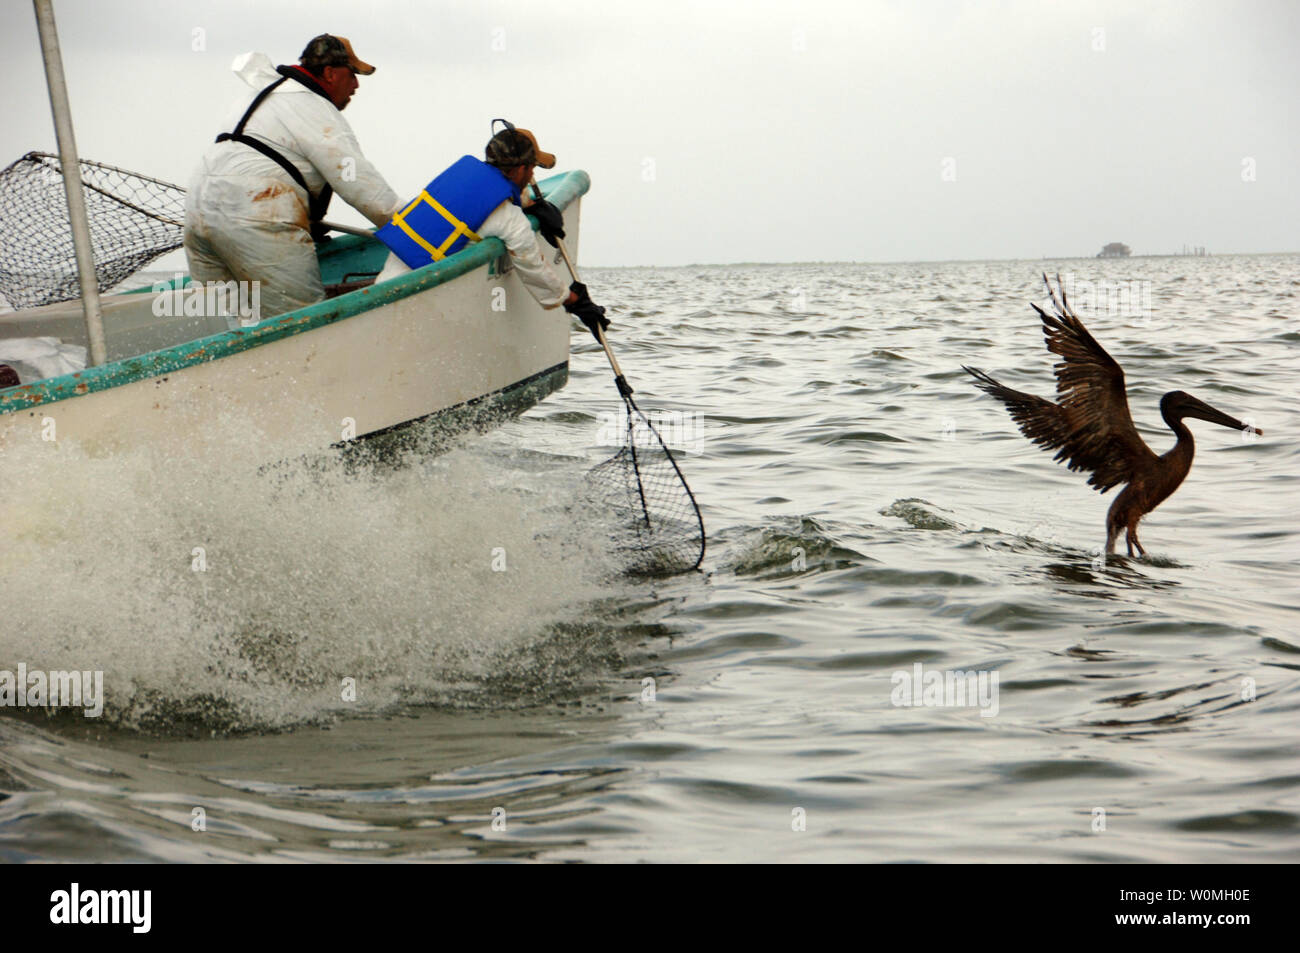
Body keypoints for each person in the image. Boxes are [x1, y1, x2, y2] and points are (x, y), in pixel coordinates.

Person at [183, 35, 404, 320]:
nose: (357, 86)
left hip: (197, 218)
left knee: (238, 327)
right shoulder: (314, 107)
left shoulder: (260, 93)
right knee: (303, 327)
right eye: (352, 75)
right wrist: (420, 229)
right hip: (256, 218)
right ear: (330, 73)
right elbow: (363, 188)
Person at [374, 122, 609, 341]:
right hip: (413, 301)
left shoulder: (459, 181)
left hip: (383, 286)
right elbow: (533, 269)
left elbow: (487, 201)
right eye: (532, 169)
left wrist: (533, 206)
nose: (532, 176)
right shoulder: (510, 219)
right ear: (521, 169)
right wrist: (574, 300)